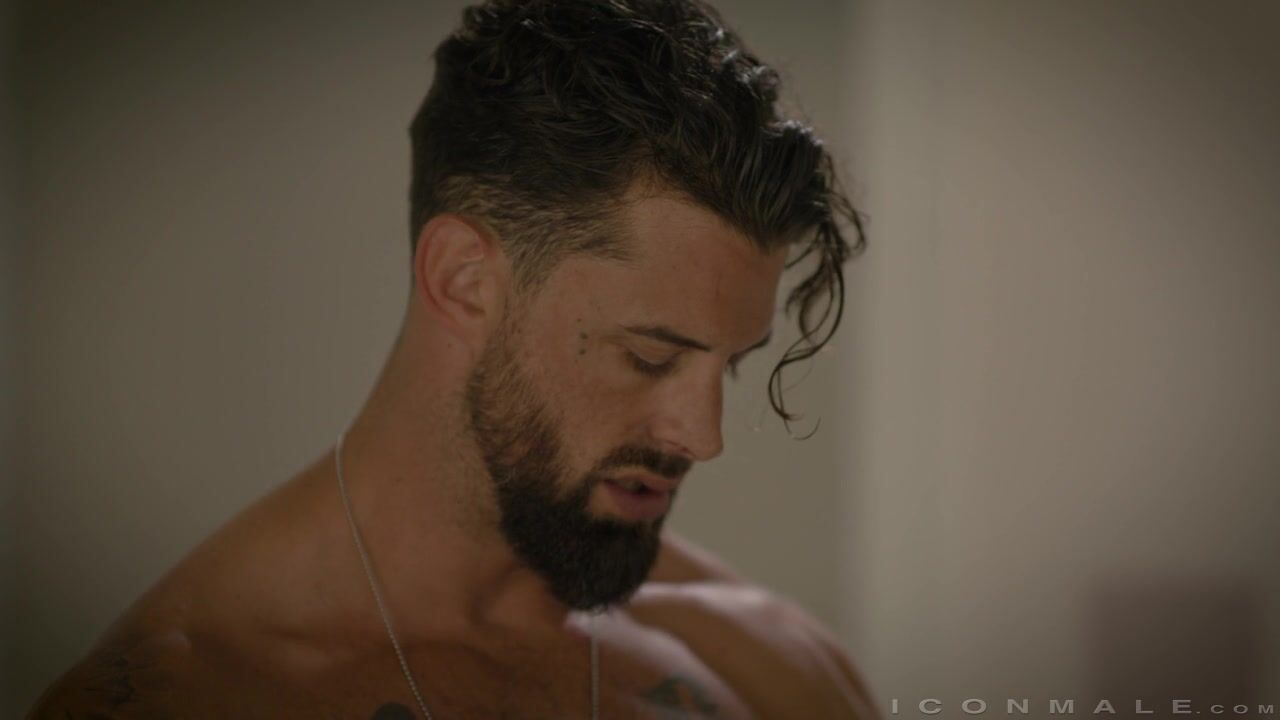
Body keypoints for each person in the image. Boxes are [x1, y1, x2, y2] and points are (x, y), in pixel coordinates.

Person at [29, 0, 875, 717]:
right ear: (464, 281)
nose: (702, 436)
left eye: (731, 364)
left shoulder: (766, 658)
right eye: (651, 356)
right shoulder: (191, 690)